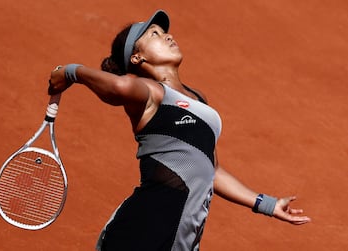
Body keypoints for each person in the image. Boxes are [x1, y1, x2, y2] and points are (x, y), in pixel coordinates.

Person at [48, 9, 311, 251]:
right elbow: (119, 88)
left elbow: (212, 169)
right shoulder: (150, 92)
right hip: (144, 229)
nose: (167, 36)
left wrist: (266, 203)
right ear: (137, 57)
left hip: (182, 237)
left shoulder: (198, 99)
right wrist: (72, 72)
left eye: (164, 32)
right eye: (154, 34)